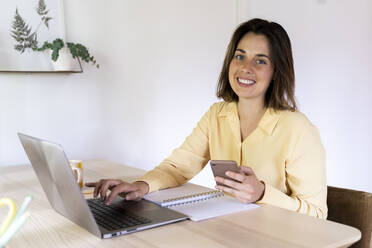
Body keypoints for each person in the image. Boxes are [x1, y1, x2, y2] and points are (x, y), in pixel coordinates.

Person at [86, 18, 327, 219]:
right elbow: (178, 167)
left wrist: (262, 193)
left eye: (260, 61)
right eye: (240, 56)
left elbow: (317, 214)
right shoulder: (217, 115)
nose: (245, 67)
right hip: (228, 231)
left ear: (277, 71)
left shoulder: (298, 129)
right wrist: (141, 185)